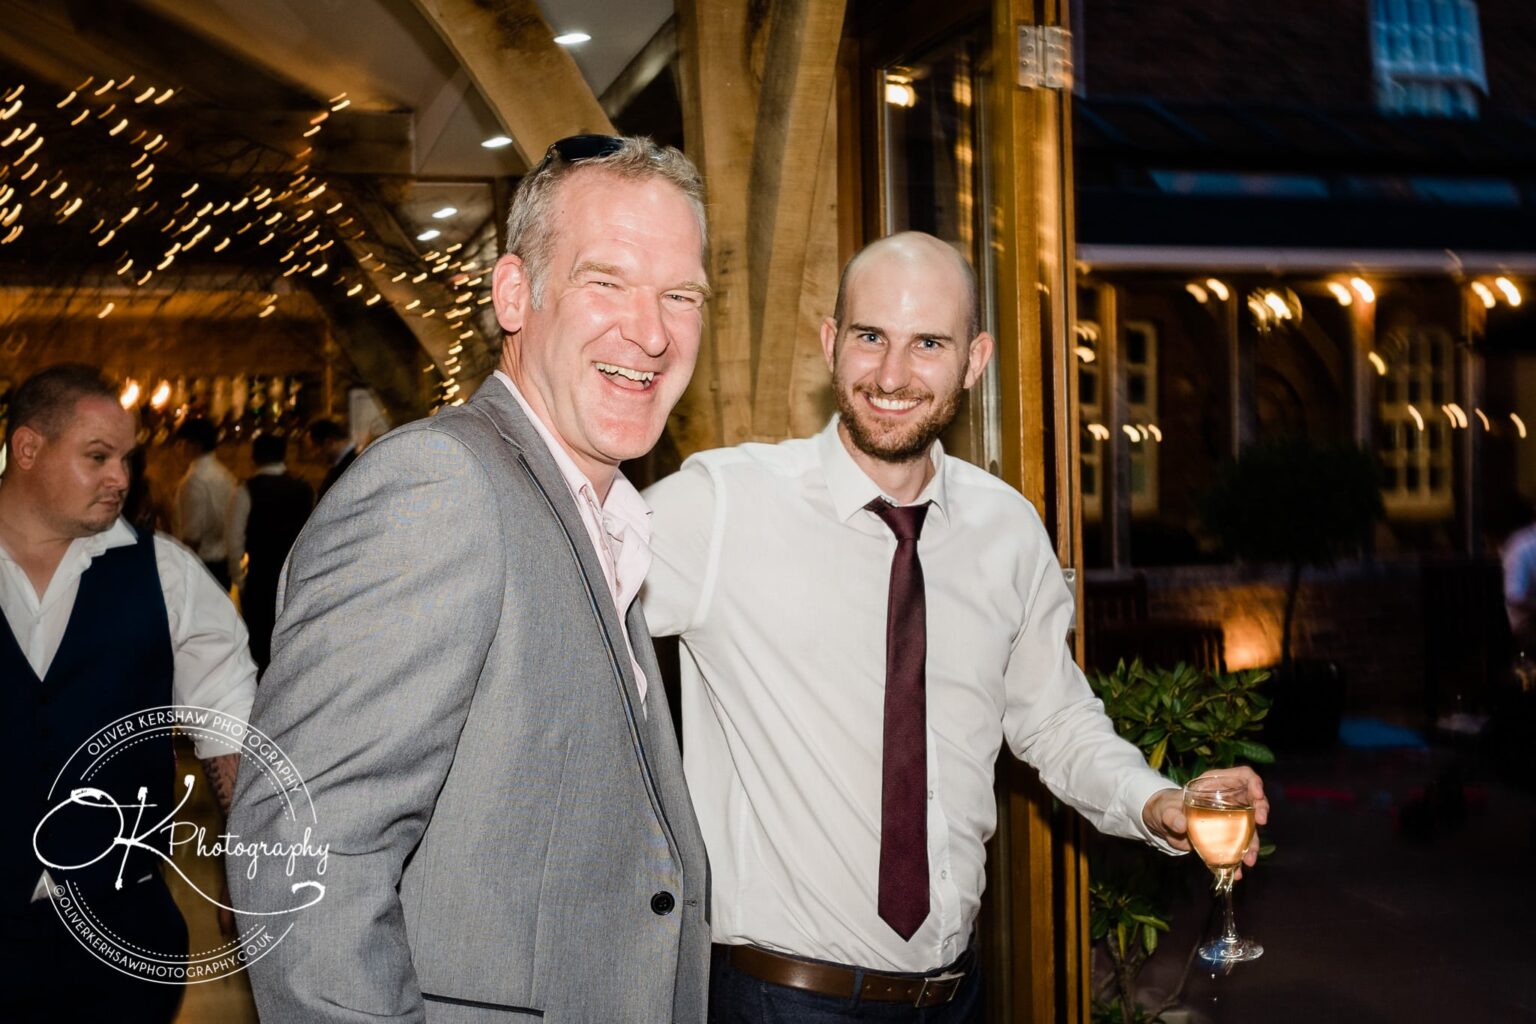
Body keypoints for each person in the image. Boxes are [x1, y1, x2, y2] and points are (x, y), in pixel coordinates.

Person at [642, 232, 1268, 1021]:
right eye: (870, 337)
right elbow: (568, 607)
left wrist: (1161, 804)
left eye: (927, 344)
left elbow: (1057, 722)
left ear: (974, 361)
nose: (893, 375)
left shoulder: (1007, 529)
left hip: (955, 996)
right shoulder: (723, 505)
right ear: (832, 344)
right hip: (777, 997)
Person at [229, 134, 714, 1023]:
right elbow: (299, 846)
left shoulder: (598, 513)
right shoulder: (442, 488)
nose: (650, 332)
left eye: (679, 295)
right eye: (606, 281)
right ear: (515, 294)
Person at [0, 364, 255, 1022]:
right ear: (27, 449)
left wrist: (248, 875)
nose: (122, 477)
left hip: (121, 937)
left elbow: (228, 734)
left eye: (127, 459)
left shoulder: (164, 572)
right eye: (98, 457)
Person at [226, 433, 314, 674]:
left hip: (260, 579)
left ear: (254, 457)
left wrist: (239, 579)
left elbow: (234, 541)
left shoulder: (247, 490)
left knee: (261, 649)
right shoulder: (304, 488)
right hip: (295, 578)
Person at [173, 417, 236, 588]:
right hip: (223, 563)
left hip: (202, 565)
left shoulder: (193, 481)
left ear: (195, 445)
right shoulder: (225, 475)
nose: (178, 448)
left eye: (181, 442)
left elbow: (192, 536)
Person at [307, 418, 356, 498]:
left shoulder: (353, 465)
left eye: (314, 448)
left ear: (329, 443)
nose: (313, 455)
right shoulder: (341, 465)